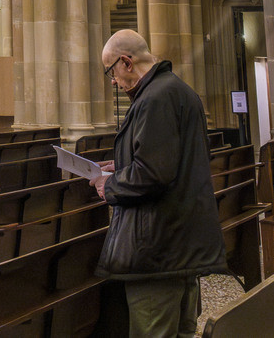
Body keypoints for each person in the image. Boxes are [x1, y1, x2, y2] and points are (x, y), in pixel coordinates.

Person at [90, 29, 223, 338]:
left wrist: (110, 186)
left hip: (157, 249)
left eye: (111, 72)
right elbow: (174, 160)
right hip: (180, 242)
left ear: (126, 62)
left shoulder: (155, 98)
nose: (113, 81)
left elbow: (153, 174)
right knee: (181, 331)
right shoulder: (178, 90)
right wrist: (124, 164)